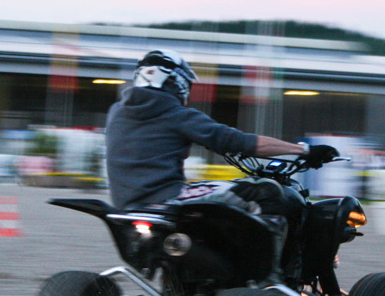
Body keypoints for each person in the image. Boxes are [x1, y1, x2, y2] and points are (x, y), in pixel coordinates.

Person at [105, 49, 337, 210]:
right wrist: (305, 150)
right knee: (267, 190)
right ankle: (263, 271)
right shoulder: (177, 115)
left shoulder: (116, 111)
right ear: (177, 82)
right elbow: (243, 143)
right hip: (166, 197)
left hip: (124, 204)